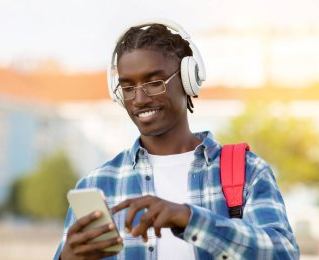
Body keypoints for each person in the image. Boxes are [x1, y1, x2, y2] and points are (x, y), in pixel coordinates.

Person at [54, 19, 300, 260]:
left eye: (154, 83)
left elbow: (284, 253)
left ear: (188, 79)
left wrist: (190, 218)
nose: (139, 99)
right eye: (128, 87)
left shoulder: (247, 170)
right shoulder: (97, 184)